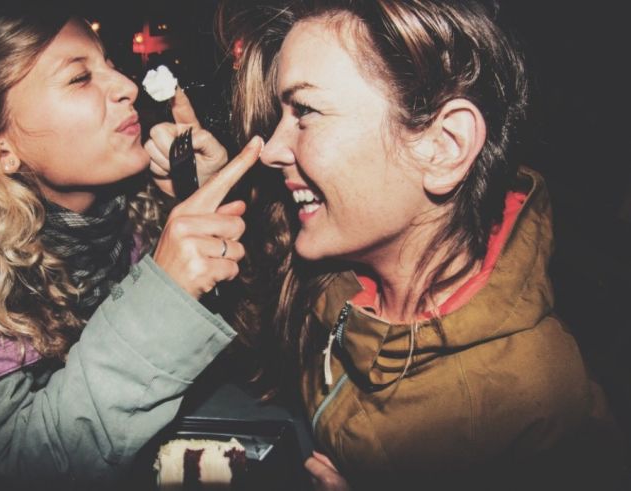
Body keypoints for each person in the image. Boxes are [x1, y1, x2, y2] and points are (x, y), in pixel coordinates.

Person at [216, 0, 627, 488]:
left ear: (443, 145)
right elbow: (264, 328)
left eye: (304, 111)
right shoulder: (339, 266)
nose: (273, 149)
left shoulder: (536, 405)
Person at [0, 3, 263, 488]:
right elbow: (14, 465)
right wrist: (163, 293)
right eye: (80, 78)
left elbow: (258, 361)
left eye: (109, 64)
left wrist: (208, 202)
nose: (126, 85)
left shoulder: (150, 209)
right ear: (0, 148)